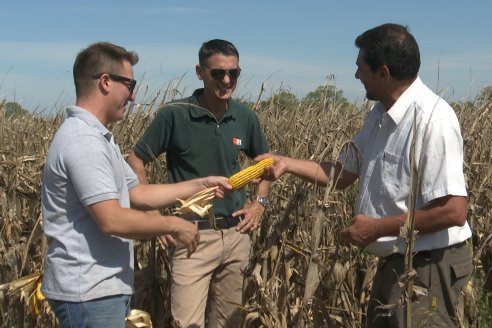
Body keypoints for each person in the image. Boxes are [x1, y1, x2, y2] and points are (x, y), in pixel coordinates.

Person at [259, 23, 473, 327]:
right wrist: (285, 163)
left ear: (383, 73)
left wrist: (376, 228)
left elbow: (454, 210)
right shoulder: (381, 115)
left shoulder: (432, 121)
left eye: (361, 67)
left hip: (427, 266)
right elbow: (343, 172)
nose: (357, 74)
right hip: (398, 261)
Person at [41, 41, 231, 327]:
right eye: (129, 85)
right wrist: (174, 225)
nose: (132, 96)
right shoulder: (83, 141)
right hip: (88, 292)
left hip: (101, 289)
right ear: (105, 82)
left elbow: (138, 193)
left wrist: (200, 184)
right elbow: (111, 218)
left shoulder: (99, 138)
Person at [127, 39, 271, 327]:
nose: (227, 80)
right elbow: (135, 160)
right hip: (191, 236)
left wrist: (259, 203)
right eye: (218, 73)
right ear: (200, 72)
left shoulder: (244, 116)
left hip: (234, 235)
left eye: (234, 73)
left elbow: (265, 161)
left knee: (229, 322)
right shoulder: (175, 114)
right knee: (186, 323)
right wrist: (155, 216)